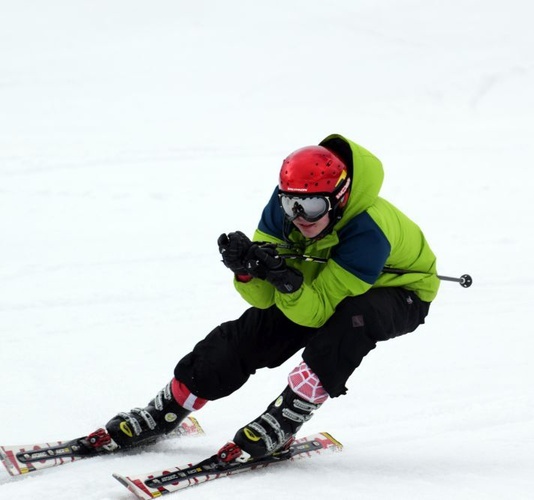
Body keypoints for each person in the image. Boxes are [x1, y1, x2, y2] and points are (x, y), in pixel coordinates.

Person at [97, 134, 440, 462]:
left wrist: (289, 285)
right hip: (323, 284)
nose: (300, 218)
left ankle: (290, 413)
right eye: (292, 204)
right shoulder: (282, 213)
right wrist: (248, 273)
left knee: (349, 321)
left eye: (312, 205)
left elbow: (318, 313)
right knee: (255, 329)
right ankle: (172, 403)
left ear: (341, 196)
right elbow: (264, 301)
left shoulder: (370, 233)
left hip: (401, 293)